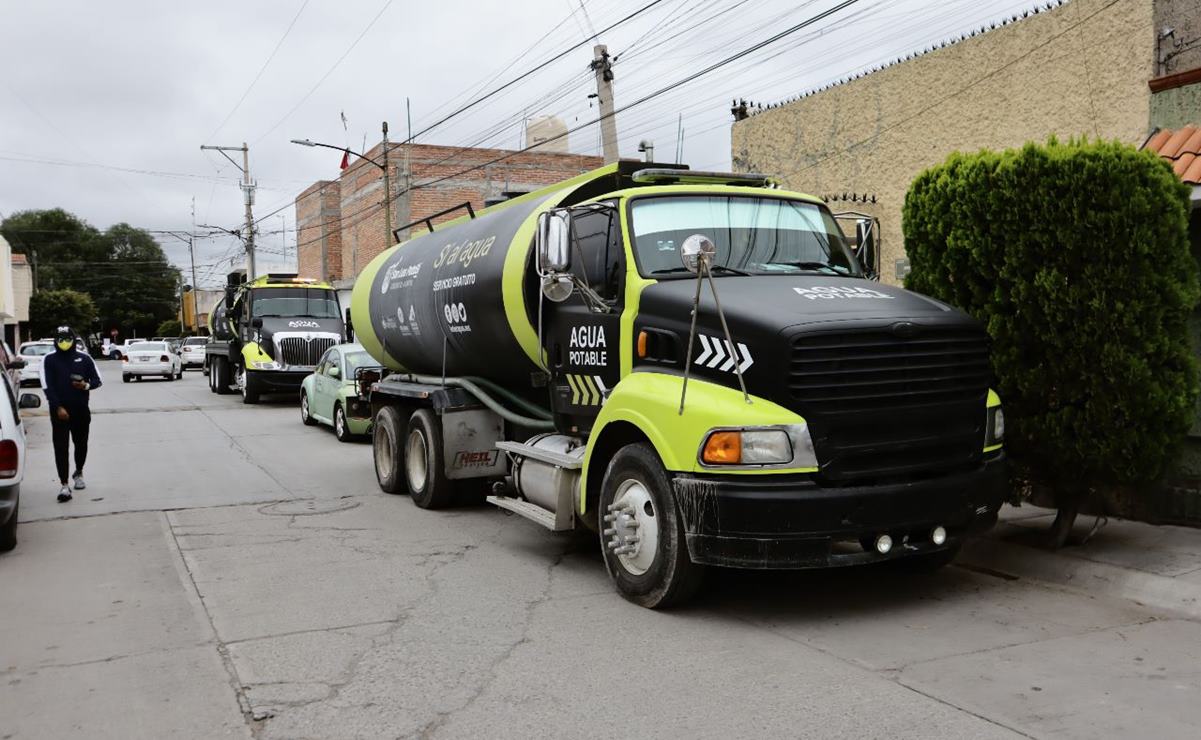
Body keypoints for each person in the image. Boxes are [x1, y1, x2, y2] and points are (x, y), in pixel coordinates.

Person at [41, 326, 102, 502]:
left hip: (80, 409)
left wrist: (85, 385)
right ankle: (64, 485)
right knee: (61, 447)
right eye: (60, 339)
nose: (64, 342)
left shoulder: (85, 358)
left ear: (74, 339)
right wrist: (58, 407)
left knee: (81, 444)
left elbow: (97, 380)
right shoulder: (49, 359)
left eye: (68, 339)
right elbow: (47, 386)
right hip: (59, 411)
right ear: (55, 341)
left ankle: (79, 472)